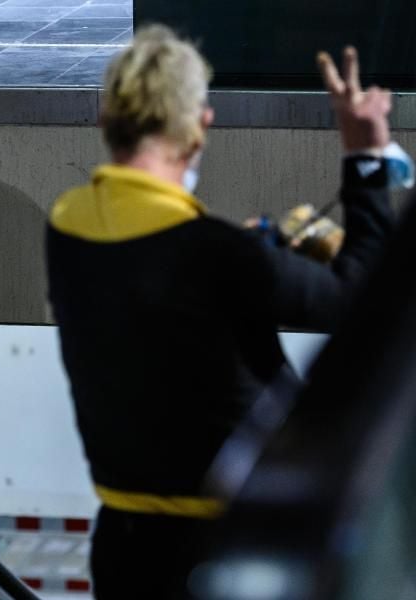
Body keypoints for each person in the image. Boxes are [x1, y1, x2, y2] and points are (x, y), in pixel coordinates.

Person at [45, 25, 397, 599]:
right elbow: (356, 298)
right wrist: (365, 158)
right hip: (227, 550)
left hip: (122, 550)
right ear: (200, 125)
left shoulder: (65, 228)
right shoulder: (220, 254)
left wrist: (246, 258)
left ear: (107, 121)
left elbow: (150, 273)